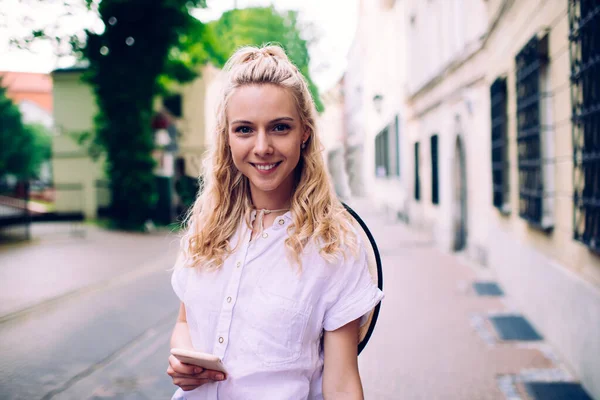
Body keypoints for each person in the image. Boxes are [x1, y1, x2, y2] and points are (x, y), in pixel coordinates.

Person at [167, 44, 384, 400]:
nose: (262, 146)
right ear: (227, 137)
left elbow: (342, 382)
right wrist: (182, 361)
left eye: (280, 128)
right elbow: (185, 323)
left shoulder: (334, 246)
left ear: (305, 133)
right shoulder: (206, 227)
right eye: (244, 130)